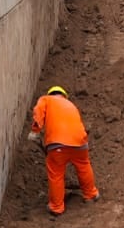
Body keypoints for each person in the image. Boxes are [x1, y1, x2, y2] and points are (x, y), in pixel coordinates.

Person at [28, 86, 99, 218]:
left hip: (58, 145)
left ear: (51, 94)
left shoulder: (46, 99)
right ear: (64, 95)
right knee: (83, 165)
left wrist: (35, 131)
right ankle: (91, 194)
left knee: (56, 173)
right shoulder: (71, 105)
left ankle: (56, 207)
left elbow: (38, 111)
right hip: (80, 143)